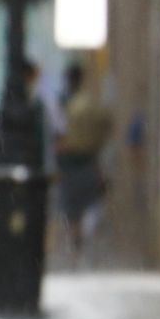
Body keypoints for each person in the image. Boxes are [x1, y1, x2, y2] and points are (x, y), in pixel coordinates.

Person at [54, 63, 113, 255]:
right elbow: (105, 125)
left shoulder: (68, 106)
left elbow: (60, 134)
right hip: (87, 159)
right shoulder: (88, 103)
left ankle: (76, 239)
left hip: (71, 161)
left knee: (72, 205)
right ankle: (81, 238)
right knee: (85, 202)